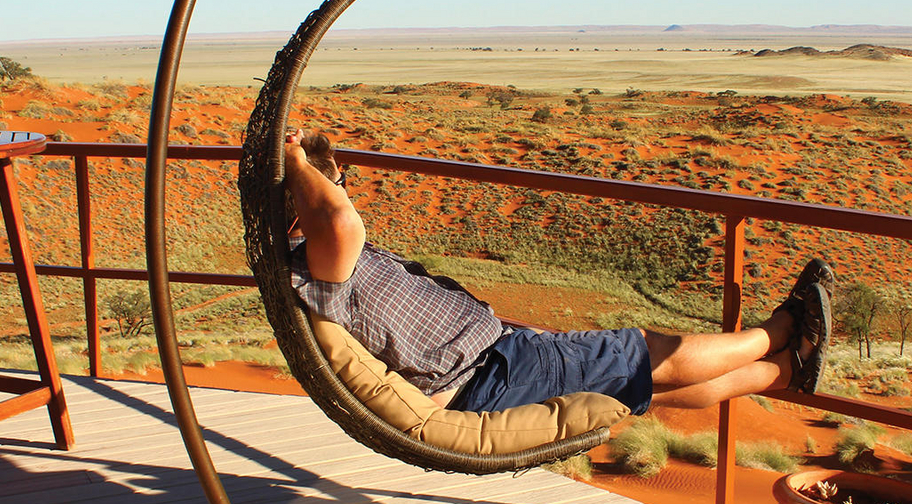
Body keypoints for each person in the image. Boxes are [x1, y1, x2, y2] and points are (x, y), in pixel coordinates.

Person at [284, 130, 832, 418]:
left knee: (641, 391)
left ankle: (782, 372)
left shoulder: (321, 261)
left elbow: (336, 216)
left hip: (496, 354)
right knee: (643, 351)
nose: (339, 187)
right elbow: (338, 220)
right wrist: (292, 162)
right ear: (297, 208)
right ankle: (780, 332)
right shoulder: (319, 263)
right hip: (490, 373)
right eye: (329, 183)